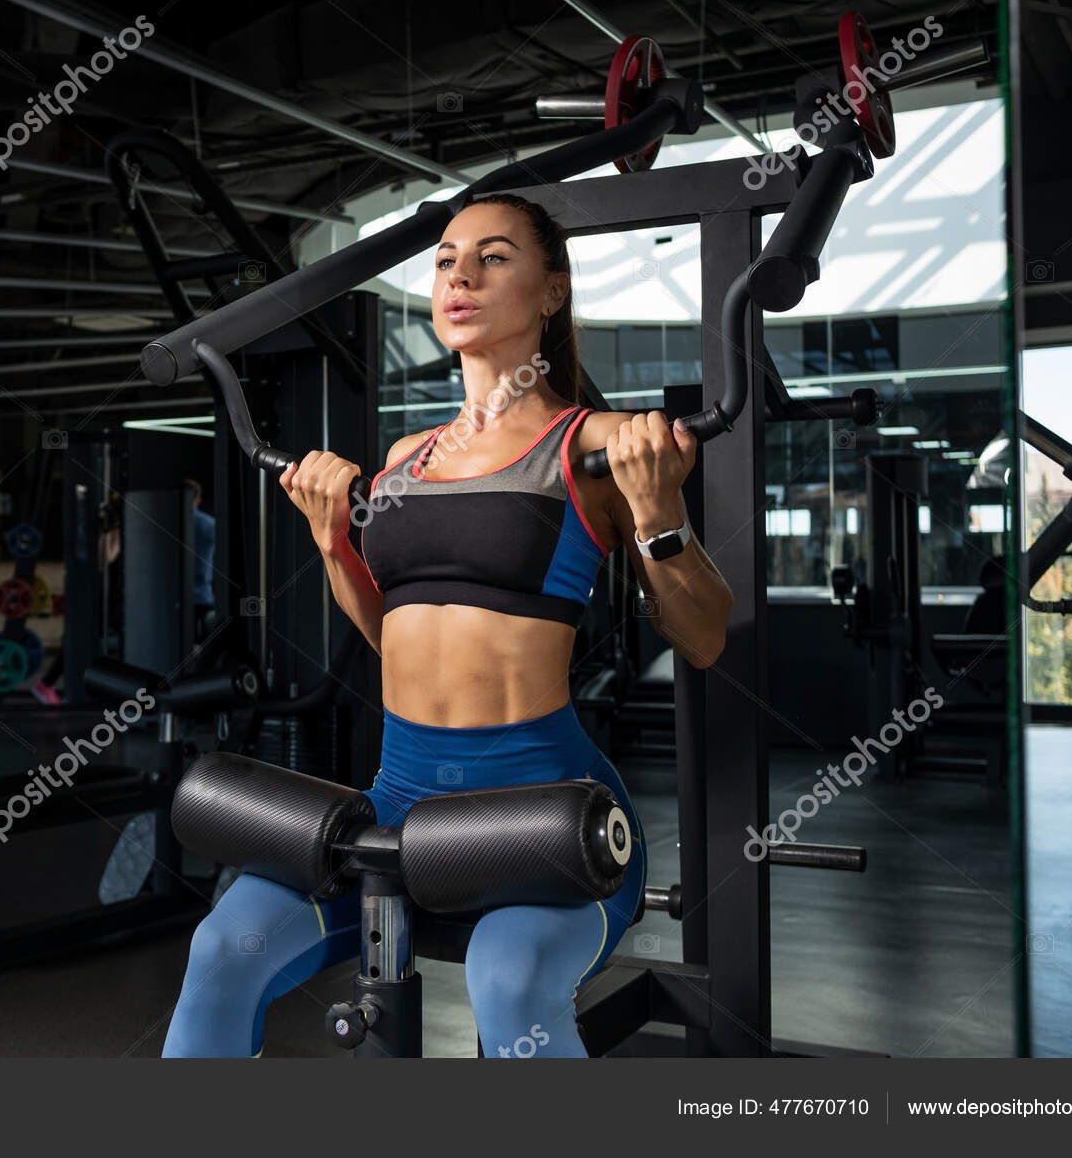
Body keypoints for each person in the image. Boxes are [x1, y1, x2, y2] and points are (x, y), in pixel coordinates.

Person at [160, 193, 733, 1058]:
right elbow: (396, 638)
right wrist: (331, 543)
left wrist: (657, 513)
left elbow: (704, 637)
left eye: (494, 257)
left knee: (508, 981)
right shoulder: (406, 461)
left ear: (551, 293)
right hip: (397, 804)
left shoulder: (600, 443)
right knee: (220, 951)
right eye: (444, 259)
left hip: (543, 815)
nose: (459, 274)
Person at [30, 493, 122, 705]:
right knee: (84, 637)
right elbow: (107, 557)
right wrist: (112, 530)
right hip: (101, 594)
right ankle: (46, 684)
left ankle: (102, 687)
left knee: (105, 641)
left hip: (111, 594)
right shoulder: (112, 529)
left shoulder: (116, 527)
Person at [183, 477, 216, 641]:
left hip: (170, 597)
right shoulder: (210, 525)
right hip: (202, 595)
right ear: (197, 500)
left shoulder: (163, 522)